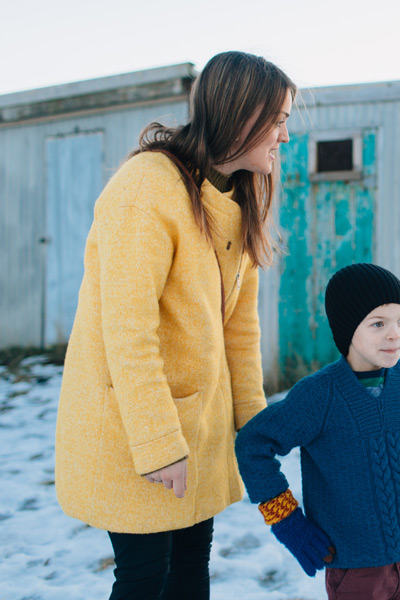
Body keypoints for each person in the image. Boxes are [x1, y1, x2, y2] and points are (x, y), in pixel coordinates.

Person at [54, 51, 296, 599]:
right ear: (243, 114)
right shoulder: (147, 188)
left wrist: (255, 424)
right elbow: (126, 329)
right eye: (277, 120)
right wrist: (161, 443)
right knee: (145, 579)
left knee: (191, 572)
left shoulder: (238, 197)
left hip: (199, 431)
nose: (284, 136)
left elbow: (240, 331)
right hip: (136, 430)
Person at [235, 263, 400, 600]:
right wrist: (287, 521)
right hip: (355, 572)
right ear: (347, 330)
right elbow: (254, 444)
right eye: (378, 324)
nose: (395, 334)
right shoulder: (320, 395)